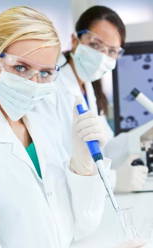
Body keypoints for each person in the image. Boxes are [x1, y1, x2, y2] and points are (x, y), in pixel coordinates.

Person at [0, 5, 152, 248]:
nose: (33, 82)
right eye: (20, 67)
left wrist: (82, 168)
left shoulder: (41, 127)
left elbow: (80, 226)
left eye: (45, 73)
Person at [56, 5, 148, 193]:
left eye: (112, 51)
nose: (101, 56)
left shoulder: (88, 87)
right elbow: (59, 164)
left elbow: (105, 147)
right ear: (75, 41)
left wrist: (144, 134)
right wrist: (113, 181)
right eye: (95, 45)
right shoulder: (53, 87)